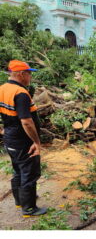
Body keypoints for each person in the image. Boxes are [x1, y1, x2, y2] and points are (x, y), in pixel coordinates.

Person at [0, 60, 47, 217]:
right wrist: (36, 142)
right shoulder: (20, 93)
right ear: (21, 74)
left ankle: (20, 200)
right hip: (22, 141)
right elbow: (26, 122)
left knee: (18, 170)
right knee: (29, 172)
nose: (30, 77)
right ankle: (29, 208)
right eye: (29, 73)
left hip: (10, 138)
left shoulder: (3, 88)